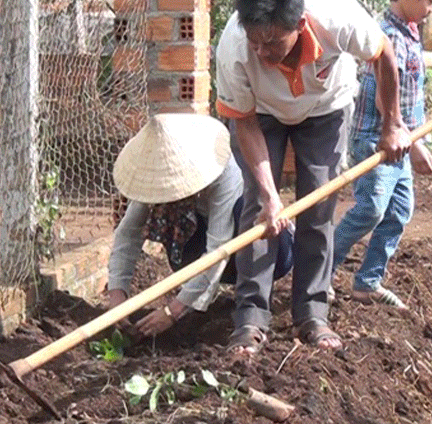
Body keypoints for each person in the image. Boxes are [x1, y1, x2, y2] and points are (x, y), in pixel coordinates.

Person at [215, 0, 410, 356]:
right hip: (264, 112)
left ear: (299, 25)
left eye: (271, 43)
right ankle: (251, 316)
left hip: (327, 106)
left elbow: (383, 54)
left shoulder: (336, 17)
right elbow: (245, 123)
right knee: (258, 207)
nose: (261, 52)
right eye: (255, 42)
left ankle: (311, 313)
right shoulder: (234, 47)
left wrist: (393, 125)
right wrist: (272, 195)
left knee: (319, 204)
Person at [106, 113, 293, 338]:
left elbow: (218, 249)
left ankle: (260, 285)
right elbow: (128, 234)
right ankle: (198, 289)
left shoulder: (222, 169)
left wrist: (173, 311)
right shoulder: (153, 173)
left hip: (263, 247)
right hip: (202, 233)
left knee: (245, 212)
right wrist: (117, 299)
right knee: (167, 214)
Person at [332, 0, 432, 309]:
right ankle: (320, 273)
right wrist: (414, 145)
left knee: (399, 211)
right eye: (430, 1)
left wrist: (416, 138)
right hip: (377, 141)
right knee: (370, 209)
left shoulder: (410, 32)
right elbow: (386, 102)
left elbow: (412, 95)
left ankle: (367, 281)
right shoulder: (386, 38)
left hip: (402, 142)